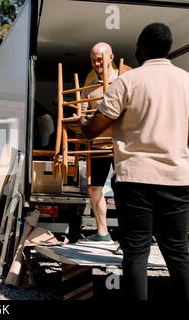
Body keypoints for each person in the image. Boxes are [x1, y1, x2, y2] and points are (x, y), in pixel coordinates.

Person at [80, 23, 189, 300]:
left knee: (137, 252)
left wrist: (83, 123)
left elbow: (93, 129)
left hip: (135, 179)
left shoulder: (127, 82)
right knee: (178, 252)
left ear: (141, 49)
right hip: (177, 178)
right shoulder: (187, 81)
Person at [78, 42, 131, 245]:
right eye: (93, 60)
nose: (96, 63)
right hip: (98, 146)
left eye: (100, 59)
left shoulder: (125, 80)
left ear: (111, 57)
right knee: (94, 188)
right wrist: (79, 119)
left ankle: (128, 236)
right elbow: (82, 116)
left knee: (125, 189)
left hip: (121, 146)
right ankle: (102, 233)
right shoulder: (89, 87)